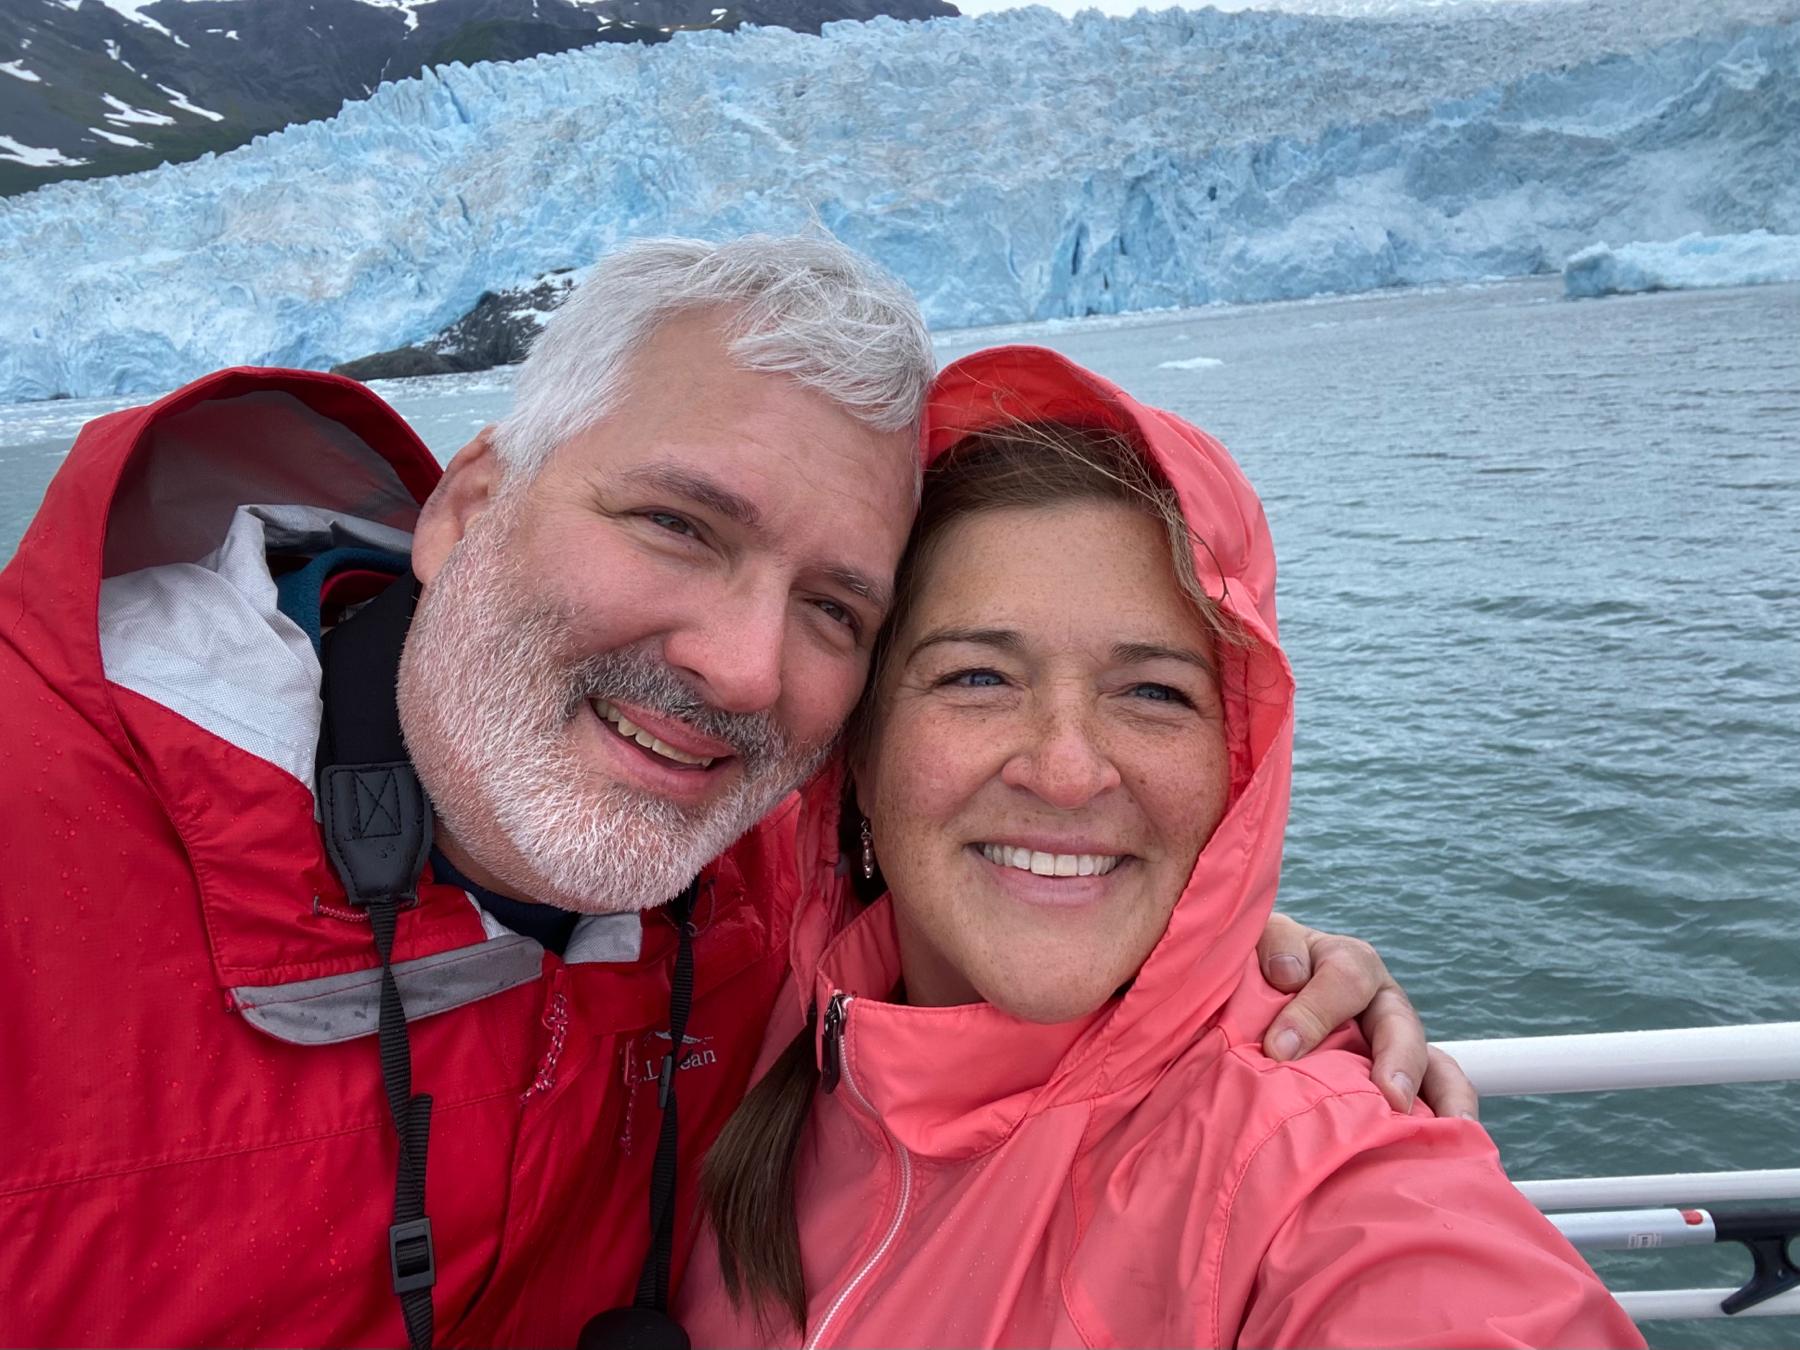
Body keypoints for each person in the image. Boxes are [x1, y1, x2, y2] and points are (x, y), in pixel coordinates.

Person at [0, 235, 1466, 1349]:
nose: (749, 668)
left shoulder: (759, 869)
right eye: (677, 523)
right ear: (467, 507)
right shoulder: (41, 839)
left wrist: (1220, 950)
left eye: (838, 608)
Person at [680, 346, 1643, 1348]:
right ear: (864, 754)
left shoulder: (1302, 1164)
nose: (1065, 772)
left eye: (1153, 693)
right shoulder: (732, 982)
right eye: (976, 678)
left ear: (1236, 768)